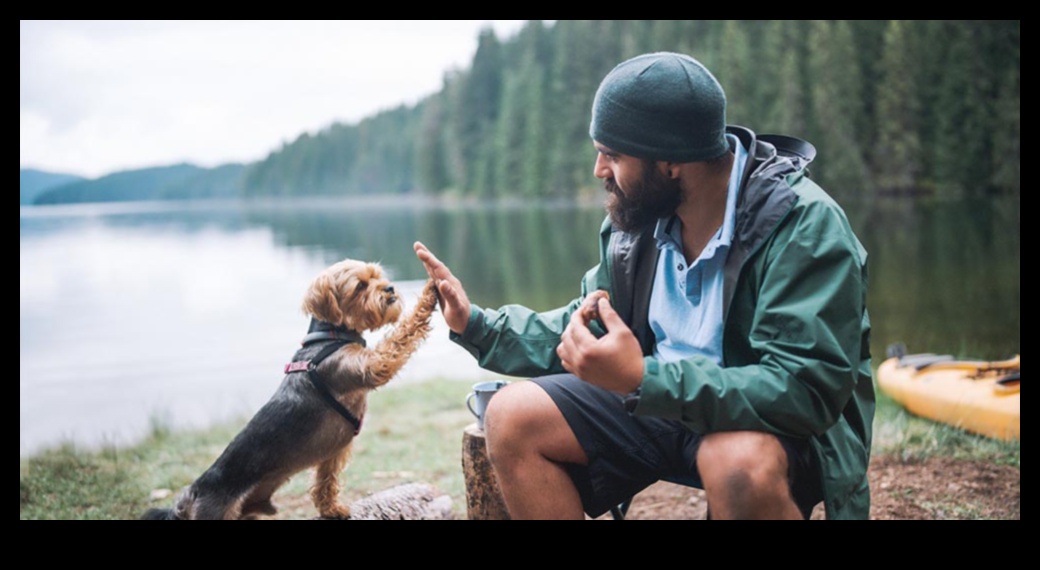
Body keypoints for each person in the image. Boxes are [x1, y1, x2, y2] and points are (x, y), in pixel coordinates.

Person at [414, 52, 874, 520]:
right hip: (658, 402)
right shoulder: (639, 216)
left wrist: (643, 379)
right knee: (512, 417)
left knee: (734, 462)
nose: (599, 170)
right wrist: (478, 325)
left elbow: (803, 391)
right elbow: (590, 321)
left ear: (671, 160)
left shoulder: (802, 226)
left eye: (612, 154)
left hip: (773, 429)